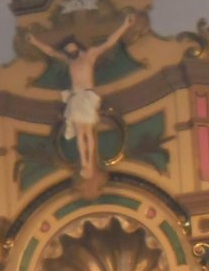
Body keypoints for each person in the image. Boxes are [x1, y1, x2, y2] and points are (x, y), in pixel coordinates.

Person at [27, 13, 135, 188]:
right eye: (67, 50)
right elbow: (51, 52)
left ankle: (90, 162)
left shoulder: (90, 55)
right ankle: (84, 162)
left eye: (71, 48)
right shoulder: (70, 61)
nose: (70, 51)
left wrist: (125, 25)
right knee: (80, 132)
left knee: (88, 132)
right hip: (75, 97)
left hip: (86, 96)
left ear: (77, 46)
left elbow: (109, 43)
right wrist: (34, 42)